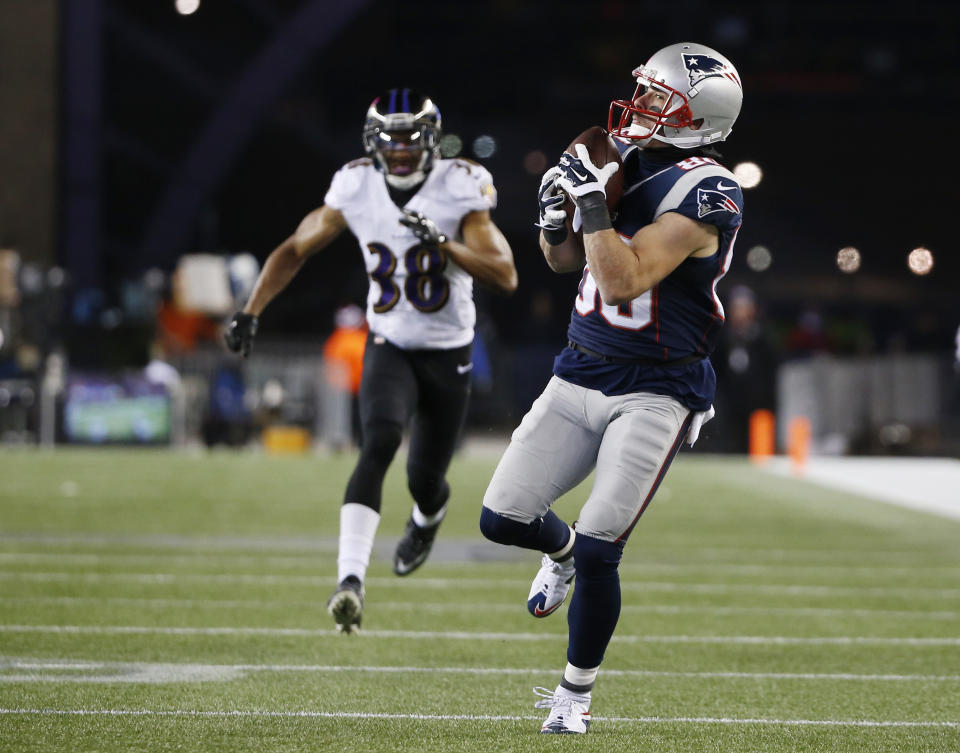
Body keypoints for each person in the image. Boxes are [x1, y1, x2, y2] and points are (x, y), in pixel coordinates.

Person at [478, 43, 744, 733]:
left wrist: (592, 203)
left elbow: (625, 277)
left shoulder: (709, 188)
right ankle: (557, 556)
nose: (643, 106)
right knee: (500, 518)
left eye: (660, 98)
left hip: (657, 386)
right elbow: (568, 261)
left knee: (603, 546)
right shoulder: (621, 157)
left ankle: (574, 693)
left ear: (695, 116)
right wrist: (553, 219)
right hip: (581, 365)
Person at [225, 88, 517, 633]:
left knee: (424, 480)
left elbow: (505, 274)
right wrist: (251, 309)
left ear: (431, 141)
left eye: (411, 140)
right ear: (372, 142)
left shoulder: (459, 186)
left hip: (448, 350)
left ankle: (427, 517)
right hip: (388, 343)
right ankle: (350, 580)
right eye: (391, 140)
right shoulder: (355, 185)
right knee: (378, 438)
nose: (401, 151)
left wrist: (444, 245)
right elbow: (294, 248)